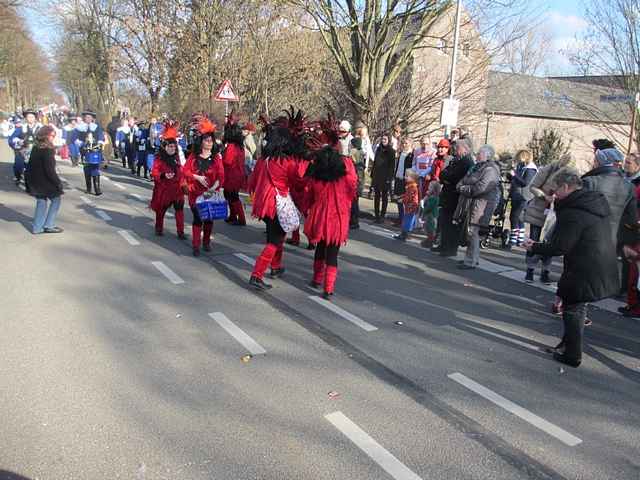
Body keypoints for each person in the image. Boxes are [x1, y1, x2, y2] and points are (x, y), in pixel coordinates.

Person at [525, 168, 619, 368]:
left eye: (555, 189)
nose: (553, 194)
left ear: (566, 187)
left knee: (573, 309)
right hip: (595, 262)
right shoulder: (590, 202)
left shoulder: (574, 211)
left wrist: (534, 246)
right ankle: (566, 345)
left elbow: (560, 246)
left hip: (586, 265)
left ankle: (572, 355)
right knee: (576, 305)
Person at [248, 111, 304, 290]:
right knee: (275, 240)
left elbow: (254, 180)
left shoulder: (266, 160)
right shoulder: (287, 162)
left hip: (265, 203)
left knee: (276, 236)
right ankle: (257, 274)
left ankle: (276, 266)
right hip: (277, 204)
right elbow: (298, 182)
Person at [304, 122, 358, 299]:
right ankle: (328, 288)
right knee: (332, 254)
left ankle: (316, 279)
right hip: (338, 218)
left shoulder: (317, 177)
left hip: (321, 216)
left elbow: (309, 195)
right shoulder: (344, 175)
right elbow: (352, 190)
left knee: (320, 247)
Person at [523, 153, 572, 283]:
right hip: (539, 210)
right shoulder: (548, 170)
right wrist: (544, 196)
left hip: (554, 213)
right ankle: (530, 269)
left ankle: (545, 271)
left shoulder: (570, 175)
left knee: (550, 243)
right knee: (534, 240)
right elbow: (533, 187)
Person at [182, 115, 225, 257]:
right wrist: (197, 177)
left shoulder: (217, 158)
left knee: (208, 219)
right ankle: (195, 245)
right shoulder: (193, 157)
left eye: (211, 141)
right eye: (207, 140)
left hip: (211, 193)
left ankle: (206, 242)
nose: (209, 143)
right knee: (197, 218)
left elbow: (221, 175)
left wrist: (214, 188)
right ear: (201, 142)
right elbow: (185, 171)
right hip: (196, 193)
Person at [456, 144, 501, 269]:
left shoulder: (491, 169)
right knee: (471, 232)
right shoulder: (476, 167)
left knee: (473, 233)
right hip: (472, 203)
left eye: (479, 153)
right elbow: (464, 179)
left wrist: (464, 188)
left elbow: (481, 188)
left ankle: (471, 261)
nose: (476, 155)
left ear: (487, 155)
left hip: (481, 205)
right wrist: (461, 185)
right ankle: (470, 259)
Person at [437, 137, 474, 257]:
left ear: (464, 149)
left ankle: (450, 248)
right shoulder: (456, 160)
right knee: (444, 221)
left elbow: (455, 177)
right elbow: (443, 173)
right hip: (448, 194)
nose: (455, 150)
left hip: (455, 197)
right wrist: (446, 178)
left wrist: (448, 178)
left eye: (457, 148)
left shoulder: (466, 162)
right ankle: (443, 245)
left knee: (452, 224)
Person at [25, 125, 64, 234]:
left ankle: (37, 227)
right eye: (52, 135)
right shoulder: (48, 149)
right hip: (45, 181)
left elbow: (30, 165)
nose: (53, 137)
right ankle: (49, 225)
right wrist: (58, 182)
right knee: (56, 200)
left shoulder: (36, 147)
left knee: (41, 201)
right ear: (46, 135)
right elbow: (49, 169)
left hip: (35, 180)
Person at [150, 121, 186, 239]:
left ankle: (180, 232)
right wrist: (163, 175)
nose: (172, 148)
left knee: (179, 210)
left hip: (177, 190)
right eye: (169, 146)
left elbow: (181, 170)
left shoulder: (177, 158)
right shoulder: (159, 159)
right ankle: (159, 228)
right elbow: (154, 173)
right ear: (164, 147)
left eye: (173, 146)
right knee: (161, 211)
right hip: (164, 189)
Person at [618, 153, 640, 317]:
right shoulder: (623, 178)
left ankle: (635, 306)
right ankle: (631, 302)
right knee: (631, 266)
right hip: (627, 226)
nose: (625, 165)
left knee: (634, 267)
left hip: (634, 228)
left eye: (629, 162)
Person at [506, 149, 537, 249]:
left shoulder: (531, 169)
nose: (518, 160)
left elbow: (525, 182)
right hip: (516, 194)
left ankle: (513, 240)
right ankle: (519, 239)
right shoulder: (521, 166)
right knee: (519, 218)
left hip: (523, 196)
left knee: (514, 217)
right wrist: (511, 175)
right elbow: (515, 179)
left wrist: (514, 175)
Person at [222, 115, 248, 226]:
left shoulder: (232, 146)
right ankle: (233, 216)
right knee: (229, 195)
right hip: (237, 174)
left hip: (232, 175)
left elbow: (227, 161)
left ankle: (241, 218)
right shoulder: (240, 146)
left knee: (232, 196)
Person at [73, 110, 105, 196]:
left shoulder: (96, 127)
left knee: (95, 167)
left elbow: (101, 136)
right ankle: (88, 188)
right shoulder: (79, 127)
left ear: (92, 118)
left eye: (90, 117)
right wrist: (81, 143)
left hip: (95, 149)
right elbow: (75, 138)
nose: (88, 119)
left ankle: (97, 188)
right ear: (84, 118)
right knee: (87, 168)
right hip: (84, 150)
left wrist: (100, 142)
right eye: (86, 117)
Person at [8, 109, 42, 186]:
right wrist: (18, 142)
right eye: (28, 117)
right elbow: (11, 139)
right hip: (21, 150)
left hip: (35, 150)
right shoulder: (20, 128)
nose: (30, 118)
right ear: (25, 118)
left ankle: (30, 184)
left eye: (32, 117)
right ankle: (18, 177)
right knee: (18, 166)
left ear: (35, 118)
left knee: (33, 168)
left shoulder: (40, 128)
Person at [370, 134, 396, 223]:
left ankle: (382, 215)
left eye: (385, 139)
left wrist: (389, 178)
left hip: (385, 177)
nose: (383, 140)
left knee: (384, 197)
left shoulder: (391, 151)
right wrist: (372, 174)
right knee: (376, 196)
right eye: (382, 139)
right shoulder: (378, 149)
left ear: (388, 140)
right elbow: (375, 162)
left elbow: (392, 166)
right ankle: (376, 215)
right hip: (377, 175)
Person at [393, 169, 420, 241]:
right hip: (410, 206)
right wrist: (399, 197)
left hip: (411, 206)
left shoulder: (412, 187)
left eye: (407, 176)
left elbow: (409, 197)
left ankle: (405, 234)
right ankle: (404, 234)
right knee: (407, 219)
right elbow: (406, 195)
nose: (405, 177)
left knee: (407, 220)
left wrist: (402, 200)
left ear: (413, 178)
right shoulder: (410, 186)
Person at [393, 138, 414, 225]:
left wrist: (408, 179)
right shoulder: (401, 153)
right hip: (398, 178)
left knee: (404, 200)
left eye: (406, 143)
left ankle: (404, 219)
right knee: (398, 199)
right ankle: (400, 217)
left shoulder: (411, 155)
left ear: (410, 144)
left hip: (406, 180)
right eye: (403, 143)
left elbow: (411, 168)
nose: (404, 145)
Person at [349, 136, 365, 229]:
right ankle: (352, 220)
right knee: (353, 203)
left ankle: (355, 222)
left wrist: (357, 186)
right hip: (356, 183)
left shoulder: (357, 161)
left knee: (354, 203)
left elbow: (359, 176)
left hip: (356, 184)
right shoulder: (358, 156)